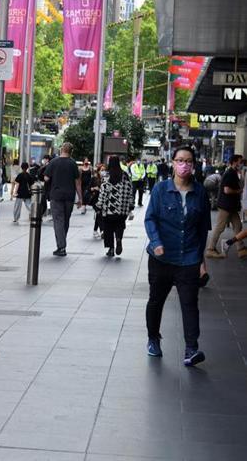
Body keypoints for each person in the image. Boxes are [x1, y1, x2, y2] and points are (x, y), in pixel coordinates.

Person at [144, 146, 211, 367]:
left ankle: (191, 348)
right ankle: (153, 339)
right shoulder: (161, 189)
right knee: (156, 301)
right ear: (173, 163)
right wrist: (156, 242)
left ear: (194, 165)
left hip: (188, 258)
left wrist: (202, 261)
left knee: (190, 304)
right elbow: (150, 218)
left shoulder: (200, 192)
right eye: (180, 160)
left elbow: (202, 229)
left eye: (188, 161)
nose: (184, 165)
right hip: (161, 258)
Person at [44, 143, 82, 256]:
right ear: (71, 151)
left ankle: (61, 246)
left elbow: (46, 178)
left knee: (58, 221)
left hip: (56, 195)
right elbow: (78, 183)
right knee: (65, 221)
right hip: (69, 196)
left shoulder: (53, 162)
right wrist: (80, 198)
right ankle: (61, 244)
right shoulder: (73, 164)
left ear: (61, 150)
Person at [205, 154, 245, 259]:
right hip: (226, 206)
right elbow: (226, 190)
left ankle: (241, 249)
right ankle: (210, 249)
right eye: (240, 162)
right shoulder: (230, 173)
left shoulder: (234, 173)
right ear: (235, 162)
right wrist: (238, 191)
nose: (241, 164)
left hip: (231, 207)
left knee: (238, 226)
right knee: (220, 227)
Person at [96, 156, 133, 257]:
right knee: (119, 225)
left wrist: (99, 205)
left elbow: (103, 193)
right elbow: (130, 191)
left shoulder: (107, 176)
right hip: (122, 209)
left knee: (108, 228)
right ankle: (119, 239)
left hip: (109, 209)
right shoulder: (125, 175)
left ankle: (111, 249)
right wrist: (130, 205)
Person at [88, 167, 104, 238]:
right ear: (98, 171)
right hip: (94, 199)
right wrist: (95, 188)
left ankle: (95, 230)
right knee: (99, 213)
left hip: (102, 200)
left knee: (99, 215)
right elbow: (88, 188)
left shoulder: (104, 180)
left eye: (104, 170)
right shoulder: (94, 179)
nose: (103, 172)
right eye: (102, 170)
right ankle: (102, 230)